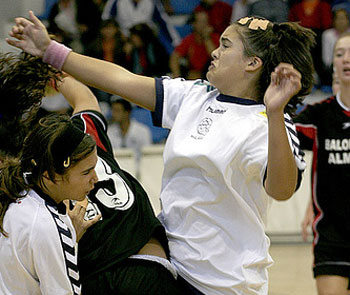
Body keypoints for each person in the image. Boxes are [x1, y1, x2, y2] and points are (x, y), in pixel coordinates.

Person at [7, 12, 316, 294]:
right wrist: (52, 52)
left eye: (225, 45)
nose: (214, 52)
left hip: (225, 282)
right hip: (171, 270)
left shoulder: (268, 121)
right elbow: (121, 80)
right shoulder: (195, 96)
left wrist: (275, 113)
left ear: (252, 64)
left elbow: (282, 189)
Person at [52, 76, 187, 294]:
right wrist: (54, 69)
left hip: (108, 272)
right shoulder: (85, 135)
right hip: (143, 267)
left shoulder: (33, 181)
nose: (93, 178)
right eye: (87, 172)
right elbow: (85, 97)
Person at [0, 112, 99, 295]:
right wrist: (65, 240)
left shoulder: (15, 193)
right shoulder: (48, 226)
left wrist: (69, 238)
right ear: (50, 175)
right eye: (86, 172)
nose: (95, 179)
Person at [296, 33, 350, 295]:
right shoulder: (319, 116)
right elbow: (278, 133)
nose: (346, 59)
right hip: (332, 236)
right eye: (339, 53)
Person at [107, 96, 152, 177]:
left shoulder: (142, 131)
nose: (114, 114)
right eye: (113, 110)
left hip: (140, 172)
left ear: (127, 112)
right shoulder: (109, 132)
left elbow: (147, 156)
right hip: (117, 172)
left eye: (117, 111)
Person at [169, 10, 220, 79]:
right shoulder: (189, 39)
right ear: (194, 24)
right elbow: (175, 57)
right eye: (201, 22)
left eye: (205, 21)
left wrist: (207, 38)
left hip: (212, 72)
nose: (204, 25)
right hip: (194, 74)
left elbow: (216, 57)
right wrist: (177, 77)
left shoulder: (216, 38)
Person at [322, 8, 350, 86]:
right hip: (332, 67)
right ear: (333, 21)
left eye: (343, 18)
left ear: (348, 20)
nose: (341, 21)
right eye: (338, 18)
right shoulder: (327, 35)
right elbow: (326, 59)